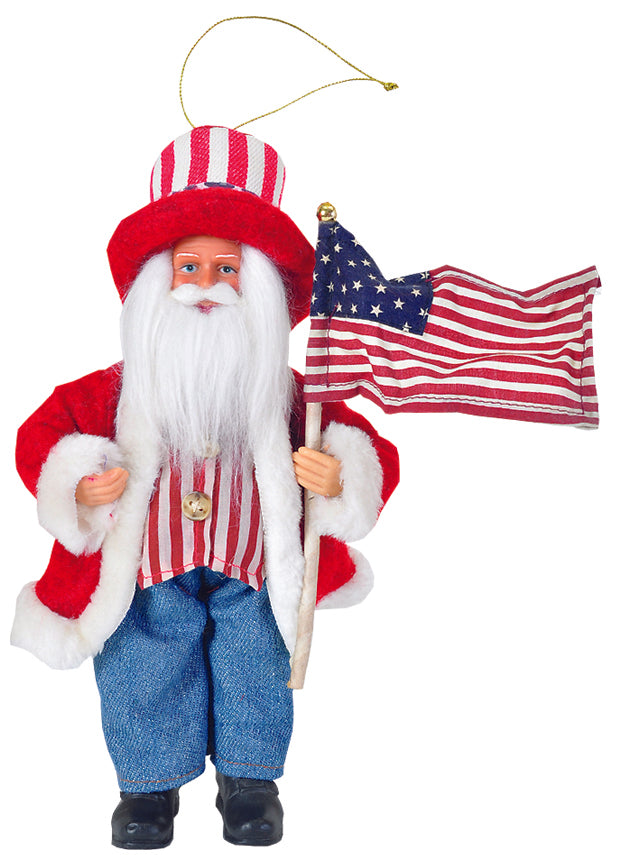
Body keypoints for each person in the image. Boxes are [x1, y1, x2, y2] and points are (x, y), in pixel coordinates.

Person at [11, 125, 399, 848]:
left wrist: (339, 474)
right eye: (188, 267)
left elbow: (363, 443)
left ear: (260, 290)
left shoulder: (285, 393)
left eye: (228, 270)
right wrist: (78, 484)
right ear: (156, 286)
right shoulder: (113, 390)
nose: (206, 287)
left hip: (252, 566)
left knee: (256, 664)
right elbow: (43, 438)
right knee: (142, 662)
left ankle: (249, 782)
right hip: (147, 569)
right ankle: (147, 787)